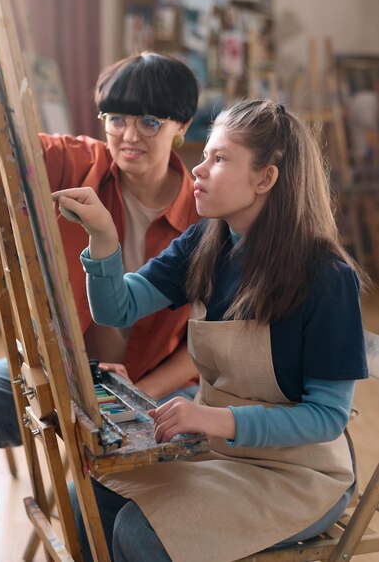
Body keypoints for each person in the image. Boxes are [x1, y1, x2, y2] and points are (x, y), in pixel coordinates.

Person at [56, 99, 369, 562]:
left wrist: (209, 418)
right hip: (220, 451)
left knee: (140, 535)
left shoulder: (325, 276)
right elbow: (116, 309)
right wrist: (102, 237)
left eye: (219, 158)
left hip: (299, 475)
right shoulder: (206, 240)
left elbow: (326, 419)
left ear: (266, 179)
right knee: (89, 497)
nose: (197, 169)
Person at [0, 51, 201, 562]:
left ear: (181, 126)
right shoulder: (77, 162)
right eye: (116, 118)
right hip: (68, 371)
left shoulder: (206, 216)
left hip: (156, 385)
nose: (128, 135)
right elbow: (2, 136)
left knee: (91, 510)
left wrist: (143, 394)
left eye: (149, 121)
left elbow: (208, 345)